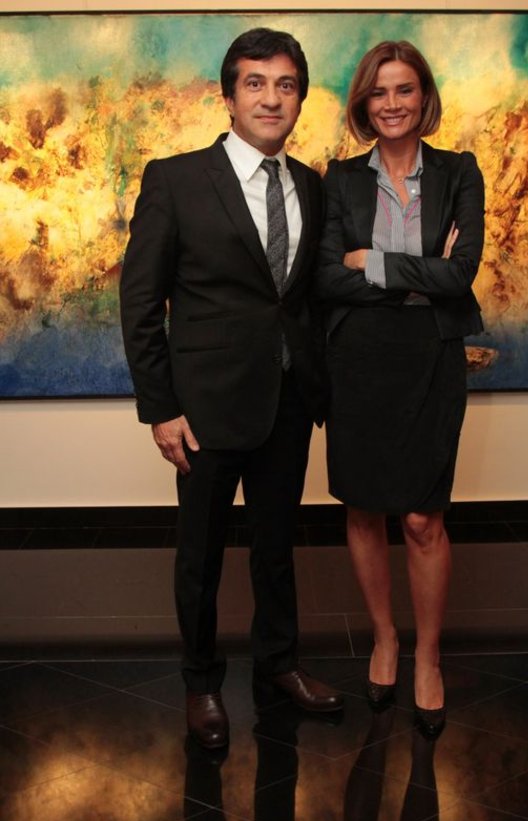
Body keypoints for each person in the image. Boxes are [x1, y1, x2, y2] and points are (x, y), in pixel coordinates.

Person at [120, 27, 343, 750]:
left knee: (276, 548)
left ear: (299, 99)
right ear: (228, 96)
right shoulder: (175, 179)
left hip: (287, 403)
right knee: (201, 557)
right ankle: (201, 683)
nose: (270, 98)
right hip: (204, 409)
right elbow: (140, 302)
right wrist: (160, 409)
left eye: (285, 85)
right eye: (255, 83)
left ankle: (279, 664)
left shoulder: (311, 185)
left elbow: (300, 300)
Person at [315, 40, 485, 737]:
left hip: (430, 355)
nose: (391, 104)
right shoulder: (339, 179)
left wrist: (374, 263)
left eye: (404, 89)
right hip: (356, 359)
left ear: (424, 97)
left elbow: (461, 274)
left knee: (421, 518)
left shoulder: (459, 172)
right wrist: (419, 272)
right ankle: (384, 637)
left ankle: (428, 656)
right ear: (364, 102)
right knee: (363, 510)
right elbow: (326, 277)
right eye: (379, 92)